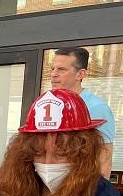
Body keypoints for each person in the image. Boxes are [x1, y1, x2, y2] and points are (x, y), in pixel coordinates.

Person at [49, 47, 116, 177]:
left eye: (61, 69)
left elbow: (104, 160)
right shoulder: (49, 105)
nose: (53, 74)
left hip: (79, 189)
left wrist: (95, 195)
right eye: (53, 69)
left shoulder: (97, 108)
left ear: (80, 74)